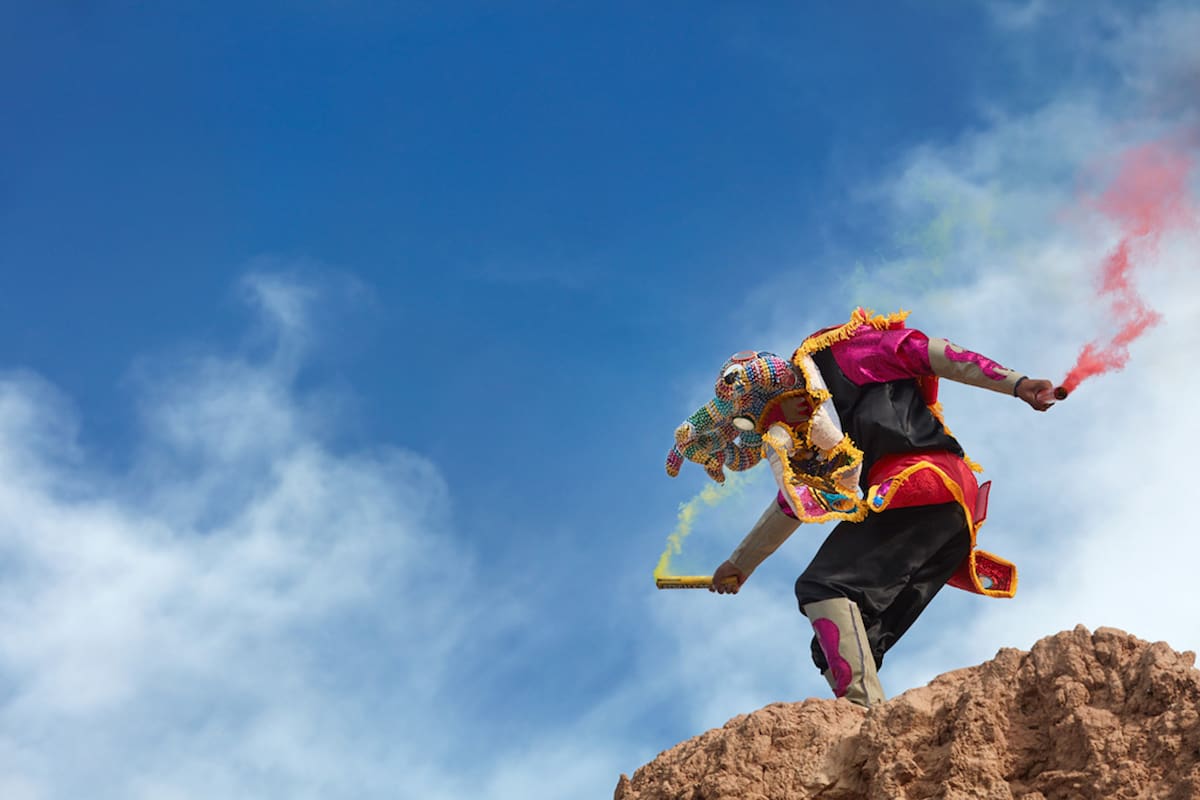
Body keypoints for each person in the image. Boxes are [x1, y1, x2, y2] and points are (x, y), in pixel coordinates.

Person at [665, 309, 1054, 708]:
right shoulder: (815, 432)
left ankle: (863, 717)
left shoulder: (844, 354)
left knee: (825, 585)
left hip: (921, 484)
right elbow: (794, 502)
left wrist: (1016, 384)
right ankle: (881, 736)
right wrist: (739, 564)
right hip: (947, 521)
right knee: (843, 643)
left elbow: (929, 353)